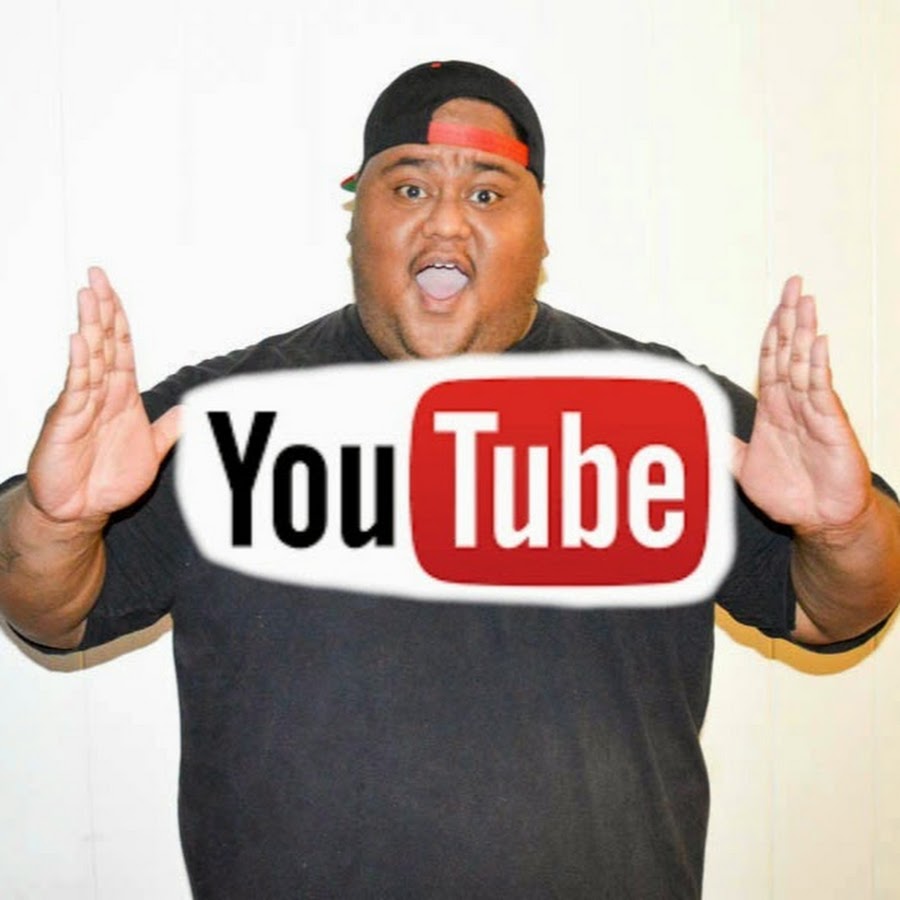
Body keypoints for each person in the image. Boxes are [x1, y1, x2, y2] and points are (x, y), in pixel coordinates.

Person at [1, 60, 898, 899]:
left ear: (539, 231)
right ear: (356, 219)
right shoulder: (225, 420)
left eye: (486, 192)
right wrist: (56, 523)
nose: (445, 223)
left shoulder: (664, 415)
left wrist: (841, 529)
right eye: (409, 187)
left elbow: (835, 611)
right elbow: (50, 610)